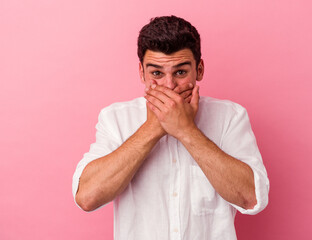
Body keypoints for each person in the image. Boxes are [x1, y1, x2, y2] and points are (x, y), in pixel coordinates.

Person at [72, 15, 269, 240]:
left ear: (200, 69)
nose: (169, 86)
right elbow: (87, 198)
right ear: (142, 73)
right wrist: (154, 127)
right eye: (157, 73)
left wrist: (186, 130)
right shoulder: (115, 118)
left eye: (180, 72)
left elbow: (252, 198)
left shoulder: (230, 117)